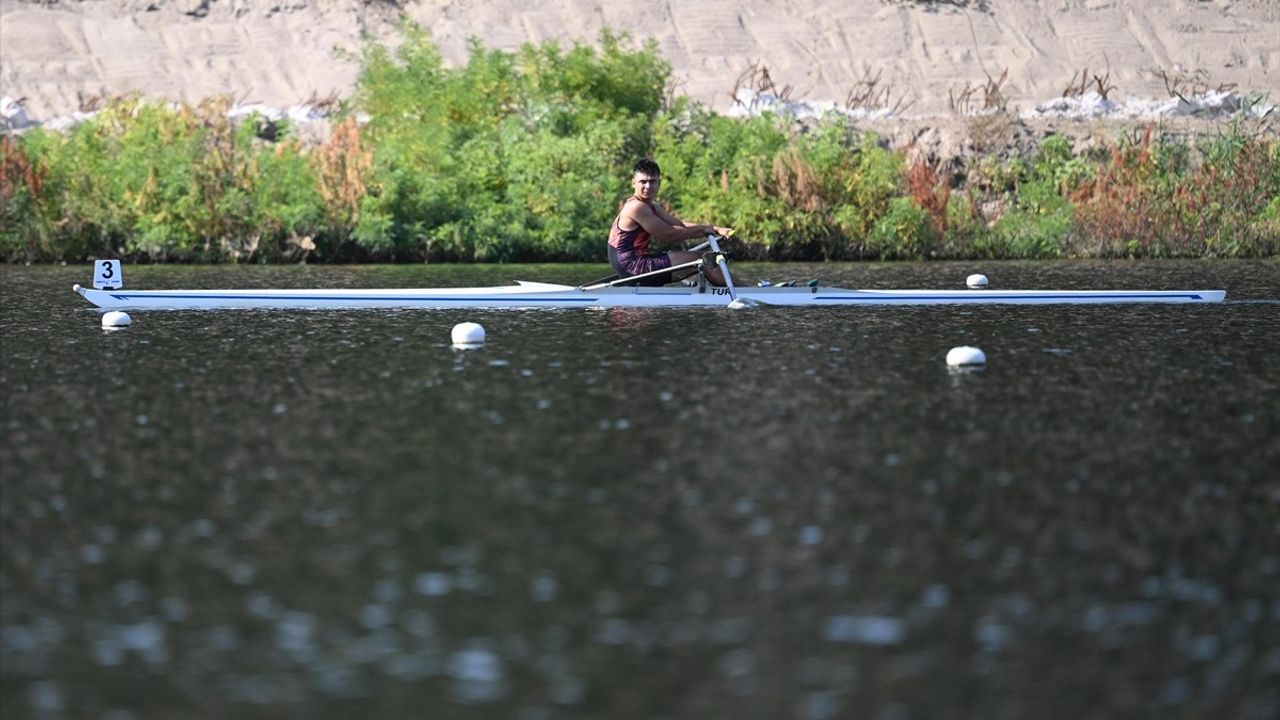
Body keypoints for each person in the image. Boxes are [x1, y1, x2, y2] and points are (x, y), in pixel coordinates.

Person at [607, 159, 735, 286]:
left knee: (702, 258)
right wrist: (703, 230)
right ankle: (745, 291)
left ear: (659, 183)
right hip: (632, 266)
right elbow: (669, 235)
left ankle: (740, 290)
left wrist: (715, 229)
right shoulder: (636, 207)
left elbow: (678, 225)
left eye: (652, 182)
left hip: (635, 263)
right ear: (633, 183)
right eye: (643, 182)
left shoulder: (652, 206)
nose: (648, 186)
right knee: (704, 260)